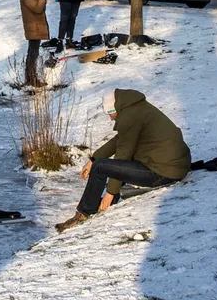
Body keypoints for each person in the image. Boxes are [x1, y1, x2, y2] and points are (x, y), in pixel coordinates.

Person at [56, 89, 191, 232]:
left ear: (116, 109)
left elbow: (123, 154)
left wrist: (110, 192)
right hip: (175, 165)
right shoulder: (136, 107)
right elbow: (120, 140)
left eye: (110, 114)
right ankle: (99, 202)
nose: (111, 119)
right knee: (99, 163)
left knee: (100, 167)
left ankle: (84, 213)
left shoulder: (129, 118)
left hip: (163, 172)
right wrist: (93, 158)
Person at [19, 0, 49, 87]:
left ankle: (32, 78)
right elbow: (37, 8)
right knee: (32, 54)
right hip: (33, 27)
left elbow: (40, 9)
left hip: (36, 25)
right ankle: (31, 79)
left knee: (33, 53)